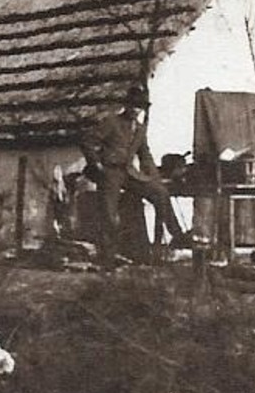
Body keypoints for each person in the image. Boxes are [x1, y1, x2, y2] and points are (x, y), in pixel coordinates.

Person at [78, 85, 193, 263]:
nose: (136, 110)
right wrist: (97, 164)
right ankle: (108, 256)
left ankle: (175, 237)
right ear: (126, 105)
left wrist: (156, 179)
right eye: (133, 105)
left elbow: (145, 155)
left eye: (139, 107)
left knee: (161, 194)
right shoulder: (112, 122)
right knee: (109, 213)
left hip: (129, 172)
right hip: (110, 172)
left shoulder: (139, 129)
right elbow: (86, 140)